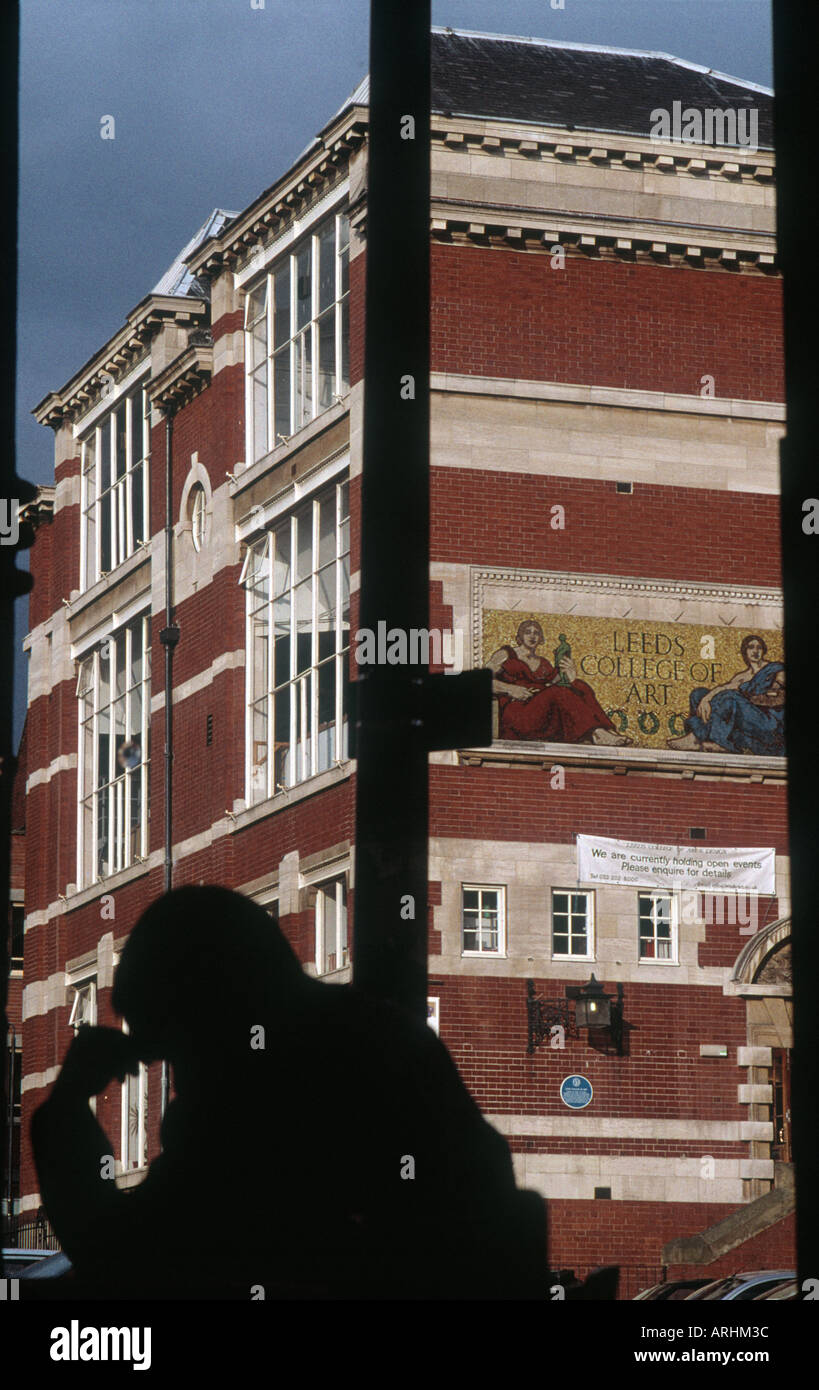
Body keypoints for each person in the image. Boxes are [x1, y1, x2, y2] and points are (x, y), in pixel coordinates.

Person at [31, 886, 547, 1300]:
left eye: (168, 1043)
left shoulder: (252, 1099)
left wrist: (70, 1106)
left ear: (207, 1010)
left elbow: (123, 1255)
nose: (167, 1071)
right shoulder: (375, 1039)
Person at [488, 619, 631, 746]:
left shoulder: (543, 663)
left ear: (541, 638)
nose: (532, 636)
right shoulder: (506, 654)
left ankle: (608, 730)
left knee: (580, 685)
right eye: (527, 632)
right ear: (519, 636)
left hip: (542, 712)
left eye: (536, 633)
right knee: (558, 692)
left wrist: (571, 675)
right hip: (519, 713)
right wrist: (510, 689)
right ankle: (596, 733)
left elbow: (558, 684)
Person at [667, 634, 785, 755]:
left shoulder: (775, 669)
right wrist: (706, 699)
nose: (755, 651)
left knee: (730, 698)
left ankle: (700, 739)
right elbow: (724, 688)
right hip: (748, 719)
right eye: (751, 647)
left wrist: (755, 697)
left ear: (763, 650)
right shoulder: (741, 677)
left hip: (768, 723)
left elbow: (780, 697)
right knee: (699, 694)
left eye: (759, 647)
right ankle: (709, 738)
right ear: (745, 651)